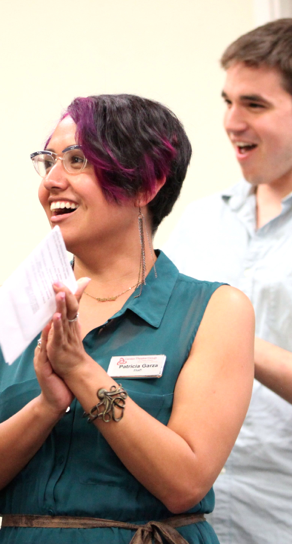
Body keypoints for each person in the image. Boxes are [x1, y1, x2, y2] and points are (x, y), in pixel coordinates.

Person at [0, 94, 255, 544]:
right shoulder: (6, 309)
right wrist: (46, 407)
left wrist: (80, 371)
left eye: (76, 161)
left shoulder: (215, 310)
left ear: (146, 187)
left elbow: (185, 482)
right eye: (48, 161)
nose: (51, 181)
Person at [164, 18, 292, 543]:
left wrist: (225, 333)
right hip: (191, 512)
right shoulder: (199, 221)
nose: (231, 122)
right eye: (228, 101)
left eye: (254, 105)